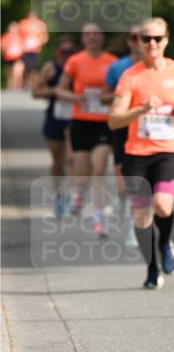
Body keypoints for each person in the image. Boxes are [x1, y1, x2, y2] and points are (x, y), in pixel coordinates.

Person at [108, 17, 174, 290]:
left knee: (162, 205)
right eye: (145, 39)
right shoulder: (130, 76)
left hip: (170, 149)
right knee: (141, 216)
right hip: (136, 152)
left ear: (166, 40)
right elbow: (114, 119)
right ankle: (151, 267)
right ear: (138, 42)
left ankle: (164, 242)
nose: (151, 44)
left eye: (157, 38)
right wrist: (140, 109)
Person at [55, 23, 116, 235]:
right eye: (88, 34)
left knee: (99, 168)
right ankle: (78, 194)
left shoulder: (112, 62)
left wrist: (107, 98)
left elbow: (123, 90)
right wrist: (76, 97)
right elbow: (60, 90)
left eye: (96, 34)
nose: (92, 38)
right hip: (81, 120)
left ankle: (99, 217)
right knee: (81, 170)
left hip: (104, 121)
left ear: (102, 37)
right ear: (83, 39)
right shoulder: (75, 61)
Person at [101, 26, 143, 246]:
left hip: (149, 131)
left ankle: (135, 229)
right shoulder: (118, 67)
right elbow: (103, 96)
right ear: (129, 41)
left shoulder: (159, 67)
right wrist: (121, 98)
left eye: (144, 37)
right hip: (123, 127)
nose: (140, 42)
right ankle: (124, 207)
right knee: (123, 180)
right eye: (135, 38)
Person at [31, 38, 77, 217]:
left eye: (70, 51)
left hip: (74, 118)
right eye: (63, 51)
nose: (67, 55)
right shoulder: (51, 68)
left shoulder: (78, 66)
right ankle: (58, 193)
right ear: (58, 52)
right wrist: (54, 91)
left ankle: (73, 195)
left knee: (72, 158)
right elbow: (35, 92)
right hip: (55, 118)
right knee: (58, 163)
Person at [18, 10, 49, 85]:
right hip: (26, 49)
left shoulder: (40, 24)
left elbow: (45, 36)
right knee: (26, 67)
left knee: (34, 67)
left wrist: (40, 43)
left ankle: (33, 83)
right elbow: (18, 36)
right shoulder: (23, 23)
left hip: (36, 50)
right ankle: (26, 81)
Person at [1, 22, 25, 90]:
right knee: (10, 73)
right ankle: (10, 86)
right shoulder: (6, 37)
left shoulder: (20, 37)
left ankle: (18, 87)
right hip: (8, 58)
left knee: (18, 73)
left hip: (18, 58)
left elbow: (23, 47)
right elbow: (2, 47)